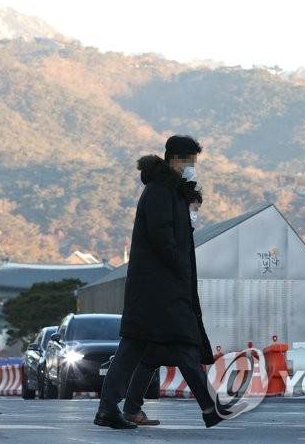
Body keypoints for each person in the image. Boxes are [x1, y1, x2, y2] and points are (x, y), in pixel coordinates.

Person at [94, 136, 228, 430]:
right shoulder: (159, 192)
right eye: (189, 161)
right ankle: (210, 408)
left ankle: (110, 410)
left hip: (160, 288)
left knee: (136, 349)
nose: (192, 167)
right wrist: (179, 268)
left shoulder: (171, 192)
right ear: (176, 160)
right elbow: (161, 235)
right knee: (183, 345)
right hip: (160, 289)